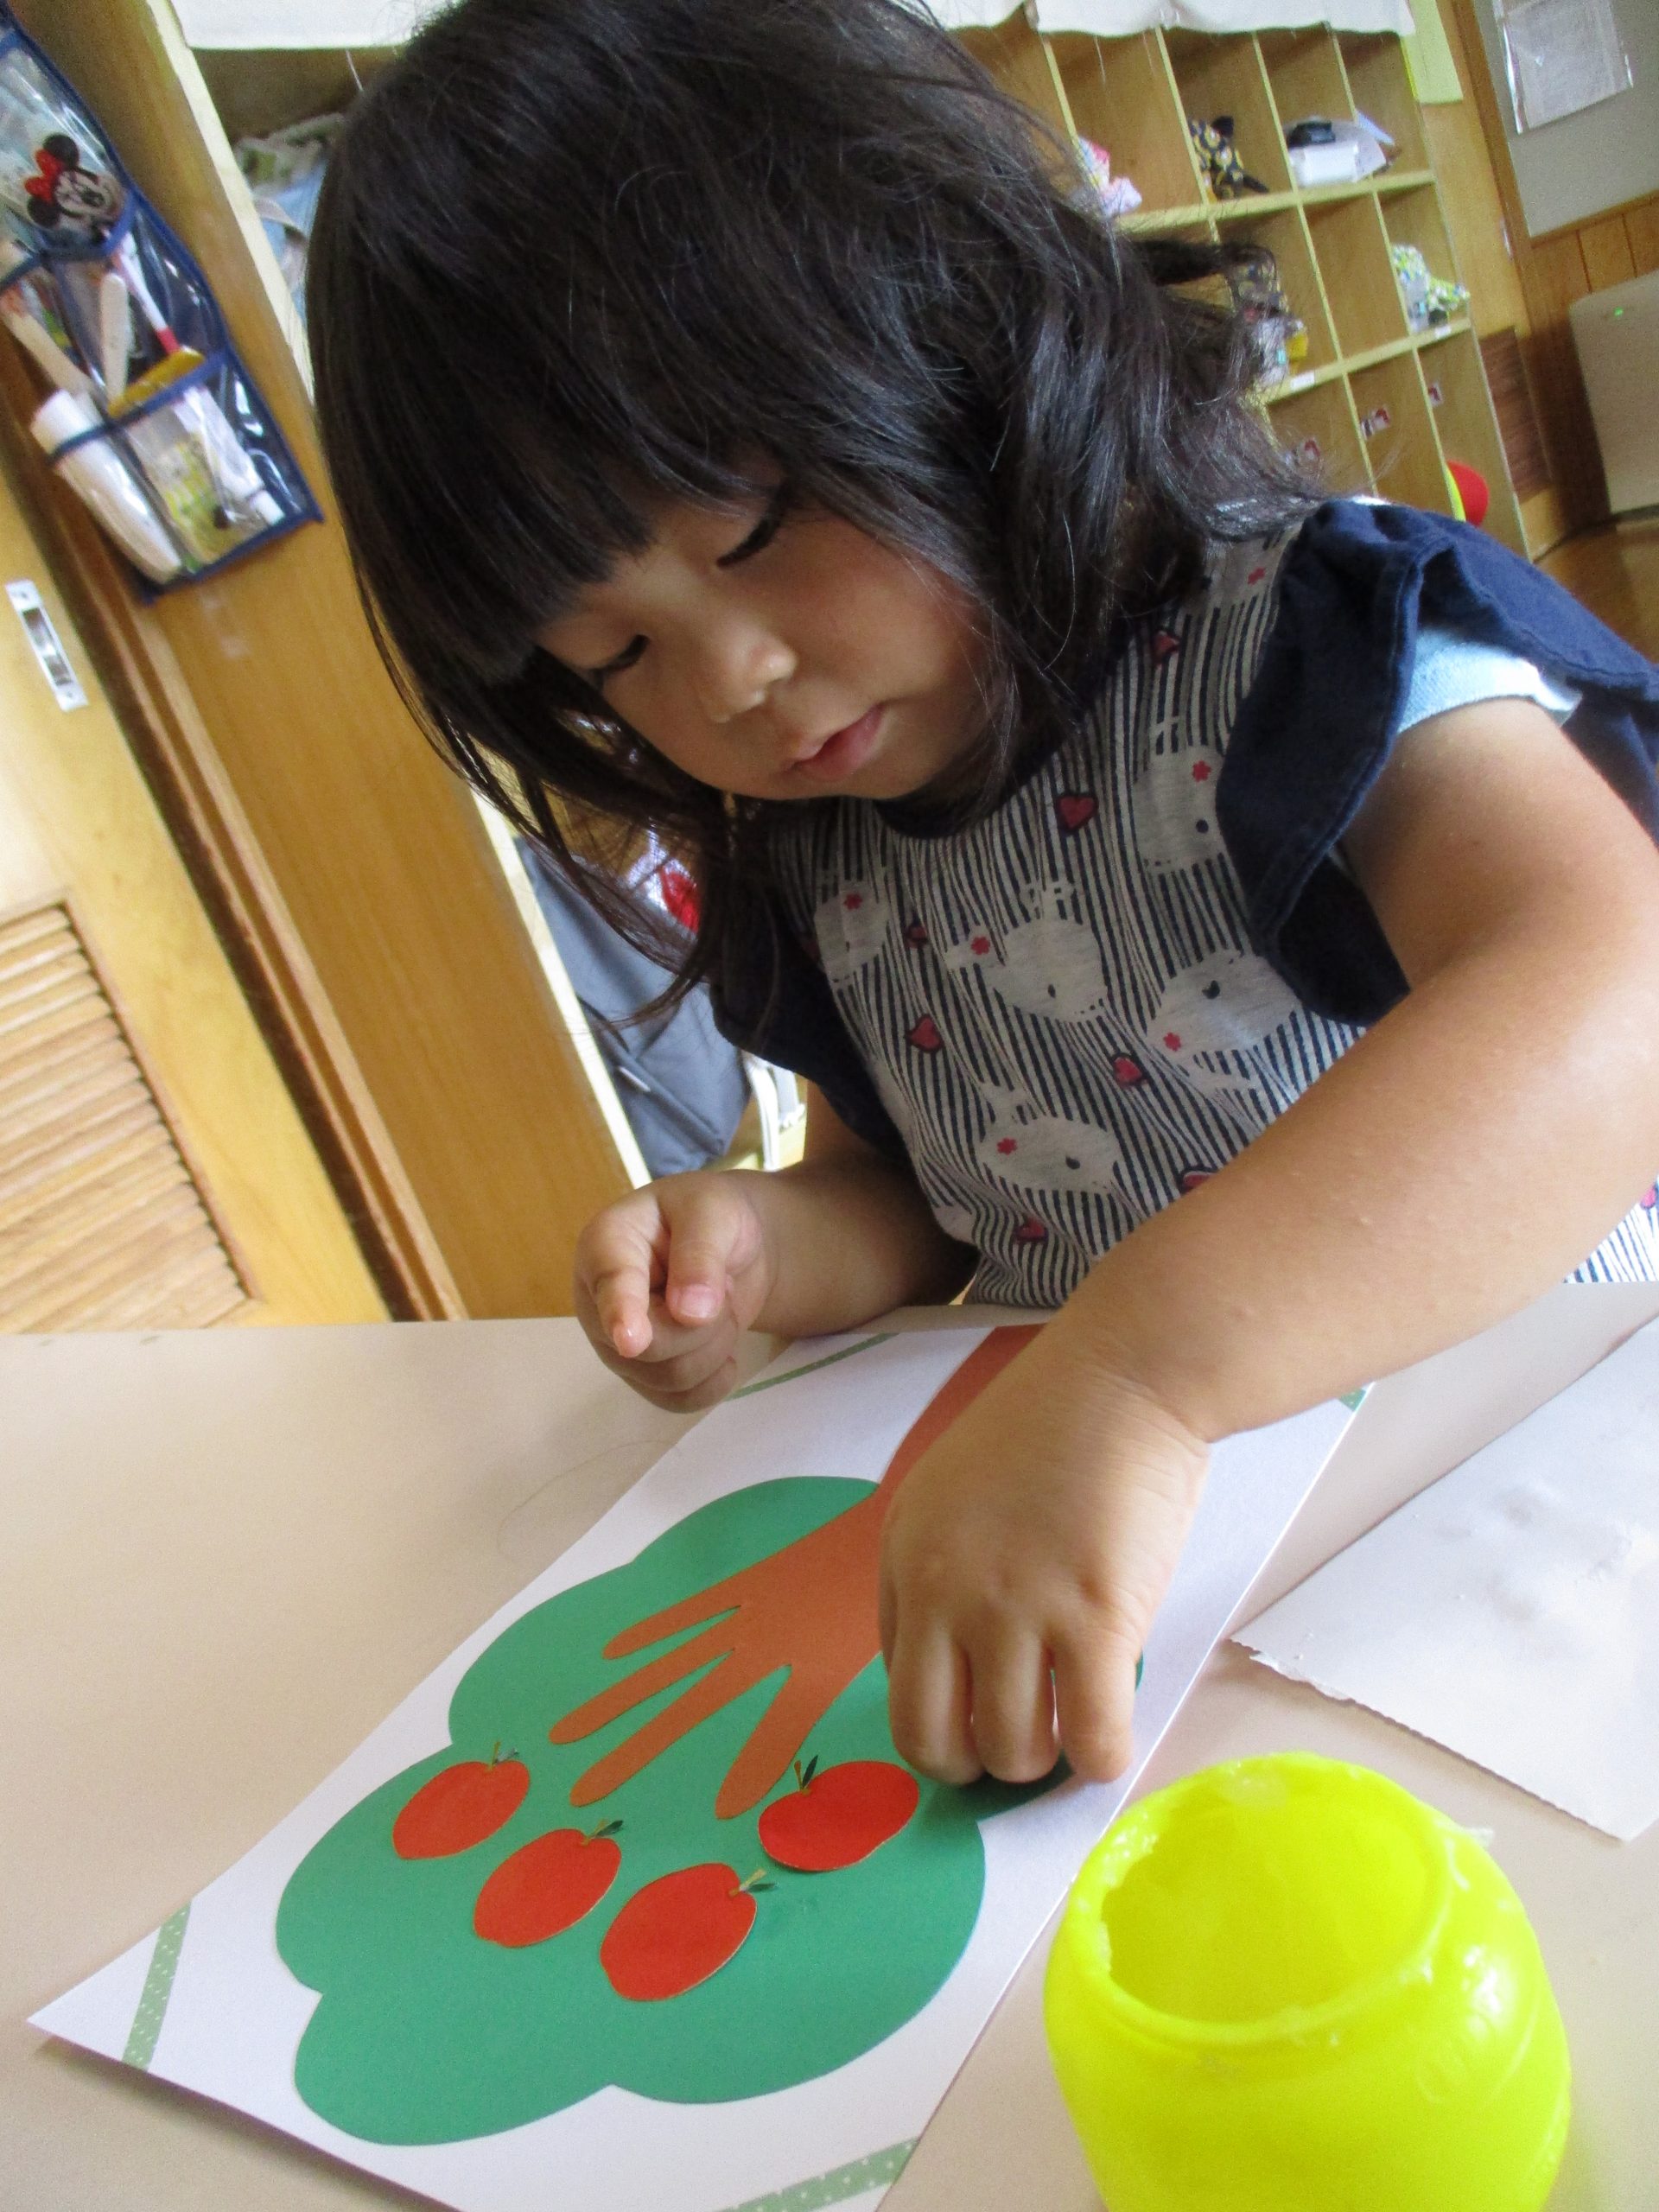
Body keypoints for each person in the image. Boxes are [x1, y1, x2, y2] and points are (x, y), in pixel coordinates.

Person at [306, 0, 1659, 1808]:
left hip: (1520, 1516)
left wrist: (1136, 1377)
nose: (733, 680)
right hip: (1146, 1607)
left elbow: (1607, 986)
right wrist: (760, 1244)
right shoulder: (816, 837)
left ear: (960, 331)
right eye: (613, 651)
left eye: (752, 534)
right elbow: (922, 1191)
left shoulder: (1301, 639)